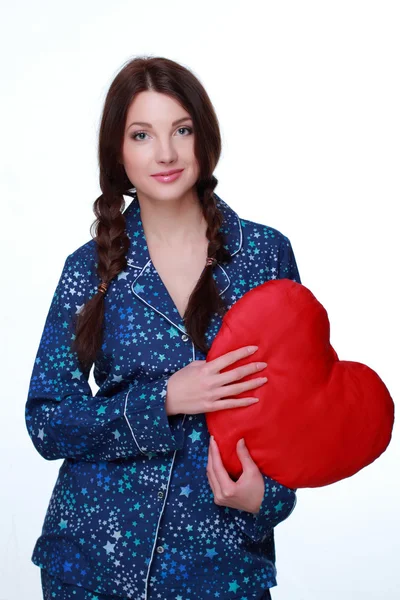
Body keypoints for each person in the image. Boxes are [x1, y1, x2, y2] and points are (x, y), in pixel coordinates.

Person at [25, 56, 302, 600]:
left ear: (205, 135)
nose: (167, 153)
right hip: (92, 563)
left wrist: (268, 498)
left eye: (182, 129)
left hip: (221, 564)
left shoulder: (266, 255)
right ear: (118, 152)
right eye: (141, 134)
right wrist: (164, 399)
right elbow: (47, 420)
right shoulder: (87, 270)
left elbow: (299, 410)